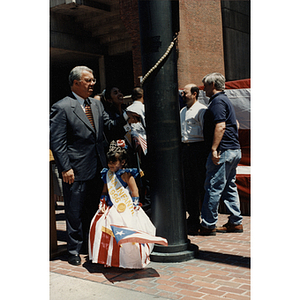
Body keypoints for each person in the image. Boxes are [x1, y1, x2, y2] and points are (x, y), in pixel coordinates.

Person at [50, 66, 138, 266]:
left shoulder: (97, 106)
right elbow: (57, 142)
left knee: (93, 207)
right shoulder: (62, 107)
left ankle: (90, 246)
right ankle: (73, 249)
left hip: (98, 167)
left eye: (93, 80)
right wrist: (65, 168)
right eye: (88, 80)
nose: (92, 84)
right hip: (75, 169)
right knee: (74, 210)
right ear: (75, 83)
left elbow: (109, 128)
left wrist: (125, 117)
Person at [89, 140, 167, 269]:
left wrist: (135, 204)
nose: (111, 165)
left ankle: (127, 260)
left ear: (123, 162)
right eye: (109, 162)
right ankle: (109, 258)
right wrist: (102, 201)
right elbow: (105, 190)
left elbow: (135, 191)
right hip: (111, 206)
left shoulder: (127, 175)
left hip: (126, 207)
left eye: (114, 162)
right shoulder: (107, 174)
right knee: (101, 227)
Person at [200, 72, 243, 236]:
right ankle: (235, 222)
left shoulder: (217, 102)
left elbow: (221, 126)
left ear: (212, 85)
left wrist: (214, 149)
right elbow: (236, 124)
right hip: (233, 149)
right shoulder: (226, 100)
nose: (203, 89)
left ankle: (208, 224)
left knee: (213, 186)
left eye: (205, 85)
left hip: (223, 151)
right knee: (229, 186)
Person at [180, 84, 208, 235]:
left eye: (185, 93)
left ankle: (205, 219)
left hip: (199, 149)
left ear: (195, 94)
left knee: (200, 185)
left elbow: (206, 131)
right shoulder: (182, 111)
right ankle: (193, 218)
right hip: (186, 149)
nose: (183, 95)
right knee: (189, 186)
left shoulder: (201, 110)